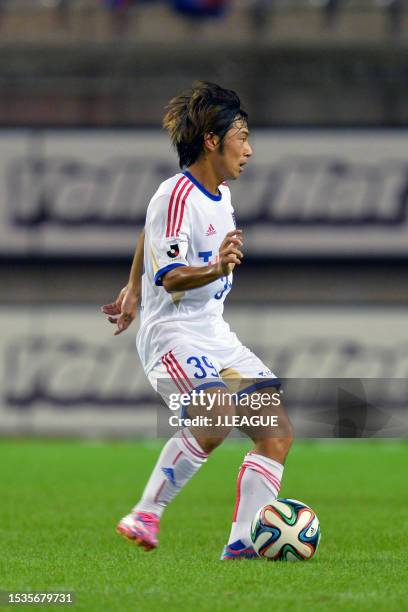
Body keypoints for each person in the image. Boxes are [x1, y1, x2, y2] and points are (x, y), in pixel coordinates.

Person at [101, 81, 293, 559]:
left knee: (276, 433)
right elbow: (170, 275)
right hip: (173, 334)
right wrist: (215, 267)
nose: (248, 150)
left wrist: (130, 287)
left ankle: (244, 543)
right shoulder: (175, 194)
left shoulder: (219, 194)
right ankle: (145, 511)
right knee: (217, 416)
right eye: (242, 137)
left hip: (213, 332)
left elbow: (150, 237)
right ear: (212, 140)